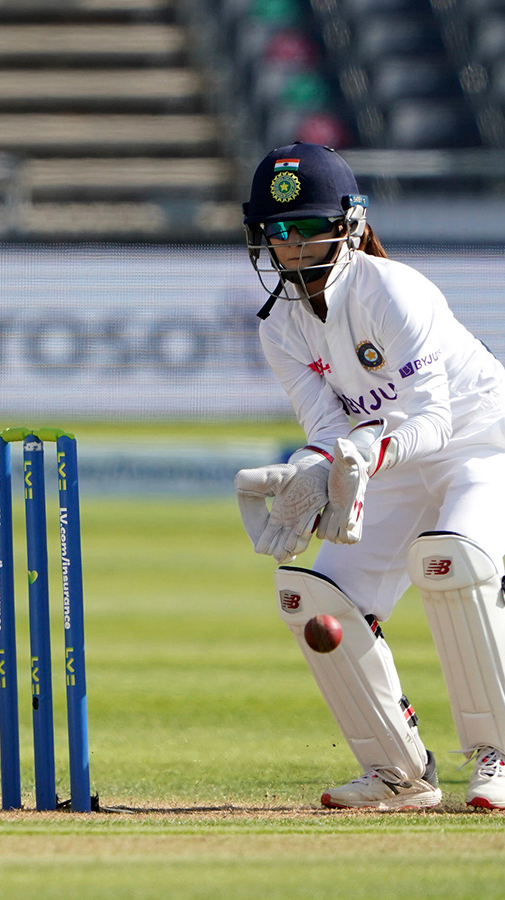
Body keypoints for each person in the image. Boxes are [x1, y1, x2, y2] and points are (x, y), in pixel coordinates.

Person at [234, 141, 505, 810]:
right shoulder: (281, 326)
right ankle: (398, 773)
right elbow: (328, 431)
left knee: (448, 563)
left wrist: (361, 459)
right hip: (388, 461)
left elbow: (433, 422)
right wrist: (308, 472)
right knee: (312, 598)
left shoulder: (394, 290)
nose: (293, 247)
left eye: (308, 228)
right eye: (279, 232)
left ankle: (500, 752)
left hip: (482, 446)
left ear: (351, 226)